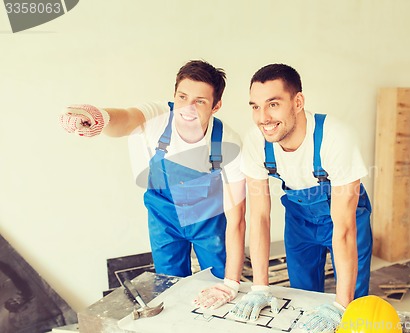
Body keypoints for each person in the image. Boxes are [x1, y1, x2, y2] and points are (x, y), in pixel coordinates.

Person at [60, 60, 246, 309]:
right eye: (182, 97)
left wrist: (232, 283)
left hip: (208, 224)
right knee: (169, 289)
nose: (187, 108)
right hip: (165, 221)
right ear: (174, 95)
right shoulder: (158, 116)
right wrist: (100, 117)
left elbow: (237, 219)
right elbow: (125, 119)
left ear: (216, 106)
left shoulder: (228, 142)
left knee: (219, 285)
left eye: (200, 101)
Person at [230, 64, 372, 331]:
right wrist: (260, 287)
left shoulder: (337, 138)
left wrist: (341, 306)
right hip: (299, 221)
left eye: (273, 104)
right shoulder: (255, 142)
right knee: (303, 297)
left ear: (298, 102)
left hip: (345, 217)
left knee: (354, 303)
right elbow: (259, 216)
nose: (263, 118)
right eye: (255, 106)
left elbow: (343, 229)